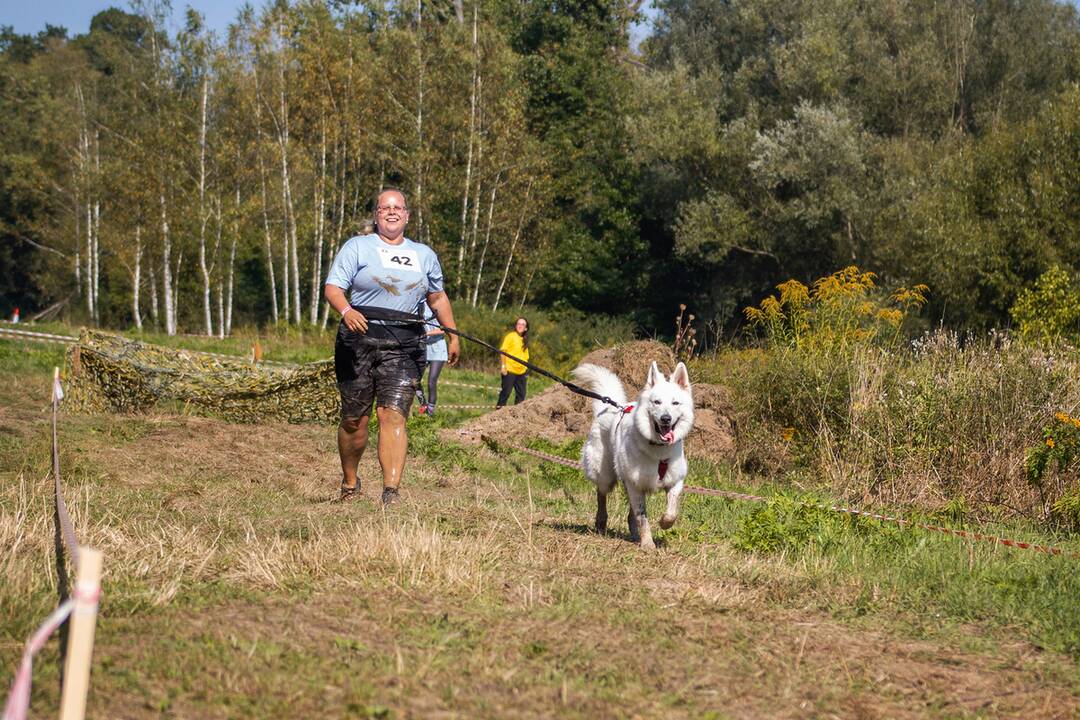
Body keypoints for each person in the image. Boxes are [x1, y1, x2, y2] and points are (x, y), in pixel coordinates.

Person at [324, 187, 459, 505]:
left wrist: (453, 335)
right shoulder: (357, 247)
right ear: (377, 214)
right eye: (385, 207)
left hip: (405, 342)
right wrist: (347, 310)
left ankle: (391, 491)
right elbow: (333, 287)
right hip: (359, 339)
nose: (392, 212)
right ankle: (350, 481)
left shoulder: (424, 255)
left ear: (408, 215)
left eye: (398, 207)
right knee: (355, 419)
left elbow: (437, 297)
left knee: (392, 414)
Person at [414, 300, 447, 416]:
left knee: (431, 381)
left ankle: (430, 413)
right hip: (423, 347)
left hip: (437, 348)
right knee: (414, 380)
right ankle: (423, 405)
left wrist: (425, 335)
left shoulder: (435, 305)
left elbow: (443, 329)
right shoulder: (417, 304)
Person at [496, 317, 530, 407]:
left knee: (521, 396)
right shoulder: (510, 336)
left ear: (526, 328)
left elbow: (526, 357)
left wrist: (526, 370)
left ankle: (516, 417)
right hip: (510, 370)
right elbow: (503, 351)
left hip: (522, 372)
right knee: (506, 393)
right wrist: (503, 366)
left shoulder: (525, 340)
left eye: (523, 324)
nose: (520, 326)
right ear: (516, 326)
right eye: (518, 324)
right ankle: (498, 412)